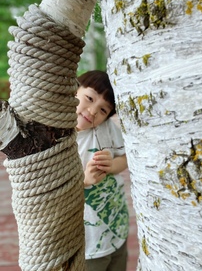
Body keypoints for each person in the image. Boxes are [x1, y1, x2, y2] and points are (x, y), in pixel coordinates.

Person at [76, 70, 129, 271]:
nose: (92, 112)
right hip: (88, 243)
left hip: (116, 228)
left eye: (103, 110)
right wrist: (86, 180)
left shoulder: (105, 129)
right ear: (74, 90)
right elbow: (47, 187)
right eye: (89, 98)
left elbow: (125, 157)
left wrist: (111, 166)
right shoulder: (57, 135)